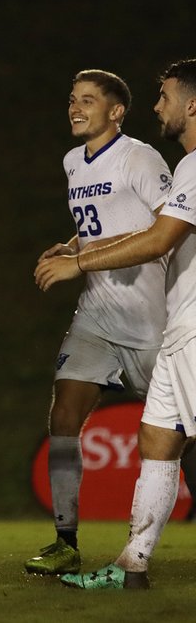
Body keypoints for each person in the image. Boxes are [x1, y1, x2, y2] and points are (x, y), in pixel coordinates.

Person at [35, 58, 196, 590]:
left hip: (155, 321)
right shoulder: (72, 162)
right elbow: (103, 222)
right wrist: (74, 243)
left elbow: (163, 230)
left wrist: (81, 259)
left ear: (116, 110)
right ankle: (70, 544)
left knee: (179, 438)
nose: (74, 107)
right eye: (72, 98)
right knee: (65, 415)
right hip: (97, 317)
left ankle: (135, 563)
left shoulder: (144, 159)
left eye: (87, 99)